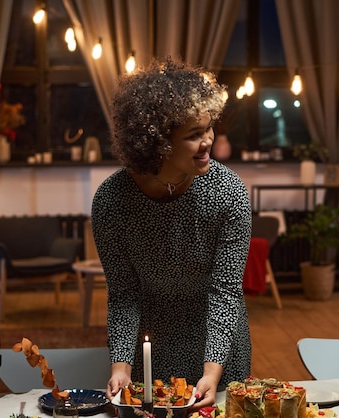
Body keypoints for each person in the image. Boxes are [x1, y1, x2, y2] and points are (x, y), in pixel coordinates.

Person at [92, 56, 252, 406]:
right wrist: (121, 365)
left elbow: (225, 292)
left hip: (220, 348)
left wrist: (211, 373)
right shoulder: (111, 201)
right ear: (157, 143)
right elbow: (123, 293)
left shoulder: (229, 193)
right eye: (194, 135)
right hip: (153, 346)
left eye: (209, 128)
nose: (208, 140)